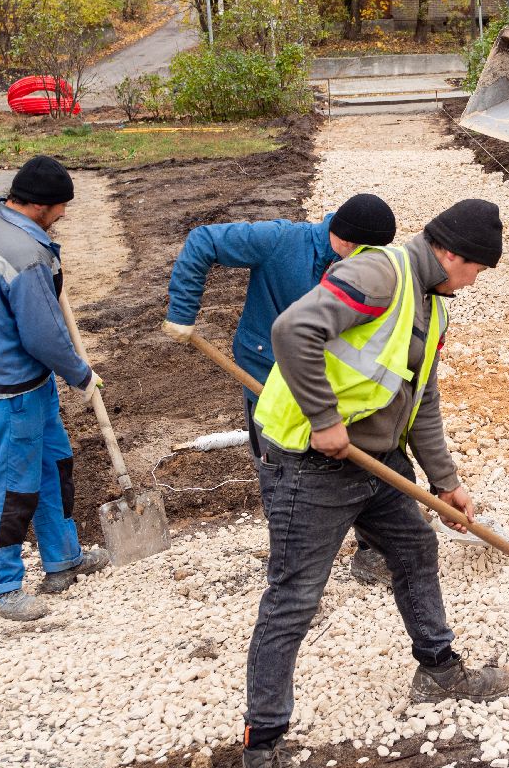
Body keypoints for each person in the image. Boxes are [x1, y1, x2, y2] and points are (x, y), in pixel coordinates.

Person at [240, 199, 509, 768]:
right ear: (449, 254)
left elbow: (423, 400)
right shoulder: (377, 276)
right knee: (294, 598)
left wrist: (445, 481)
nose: (475, 281)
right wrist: (321, 417)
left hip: (376, 464)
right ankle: (262, 745)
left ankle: (438, 669)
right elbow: (292, 330)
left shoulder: (433, 305)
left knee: (416, 551)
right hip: (308, 466)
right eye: (476, 269)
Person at [160, 194, 399, 587]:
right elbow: (203, 240)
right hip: (268, 377)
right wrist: (182, 313)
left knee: (362, 458)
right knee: (280, 470)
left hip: (333, 382)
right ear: (349, 240)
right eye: (365, 252)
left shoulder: (368, 267)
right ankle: (292, 569)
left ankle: (372, 549)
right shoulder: (279, 240)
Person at [0, 155, 111, 622]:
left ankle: (64, 560)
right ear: (41, 207)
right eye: (61, 208)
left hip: (12, 377)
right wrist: (80, 372)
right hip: (9, 389)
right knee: (13, 486)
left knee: (53, 465)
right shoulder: (28, 256)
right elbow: (42, 335)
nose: (63, 216)